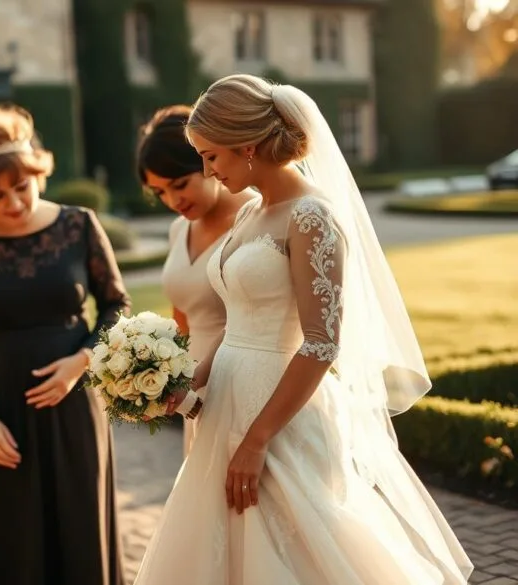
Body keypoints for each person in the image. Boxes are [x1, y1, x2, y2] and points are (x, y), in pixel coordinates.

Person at [134, 74, 473, 584]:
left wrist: (257, 441)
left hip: (282, 416)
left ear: (246, 147)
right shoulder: (251, 212)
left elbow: (320, 342)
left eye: (211, 156)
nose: (206, 169)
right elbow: (236, 319)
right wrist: (192, 379)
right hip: (226, 405)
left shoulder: (312, 218)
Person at [0, 105, 131, 585]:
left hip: (74, 406)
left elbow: (116, 306)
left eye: (21, 187)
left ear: (36, 172)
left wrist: (82, 362)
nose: (14, 203)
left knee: (81, 531)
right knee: (9, 540)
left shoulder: (79, 226)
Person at [136, 104, 256, 454]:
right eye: (160, 193)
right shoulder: (178, 229)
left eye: (179, 184)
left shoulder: (257, 218)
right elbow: (183, 316)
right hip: (195, 391)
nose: (173, 201)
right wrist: (159, 377)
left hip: (245, 378)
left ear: (208, 164)